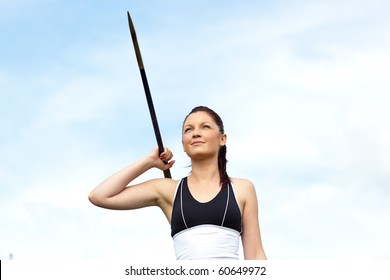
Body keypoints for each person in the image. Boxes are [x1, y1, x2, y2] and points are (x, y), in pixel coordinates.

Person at [88, 106, 267, 260]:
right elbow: (99, 196)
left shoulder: (242, 189)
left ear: (222, 139)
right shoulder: (168, 191)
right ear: (183, 143)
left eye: (205, 127)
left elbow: (256, 256)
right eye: (188, 129)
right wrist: (148, 162)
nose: (196, 132)